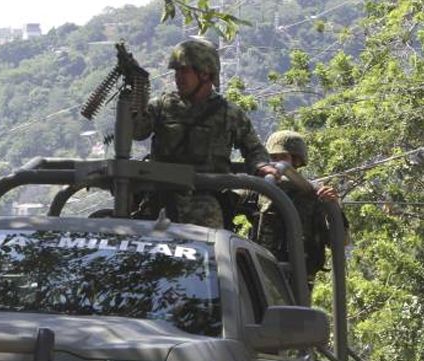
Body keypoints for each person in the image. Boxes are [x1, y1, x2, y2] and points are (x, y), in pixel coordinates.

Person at [131, 36, 278, 228]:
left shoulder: (229, 113)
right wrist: (134, 100)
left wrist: (261, 167)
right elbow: (138, 132)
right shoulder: (162, 106)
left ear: (205, 74)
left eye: (185, 70)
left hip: (205, 203)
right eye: (176, 71)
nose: (178, 77)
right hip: (159, 200)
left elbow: (254, 150)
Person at [255, 130, 346, 286]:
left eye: (282, 158)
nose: (276, 164)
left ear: (296, 161)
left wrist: (334, 207)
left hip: (298, 280)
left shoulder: (313, 194)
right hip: (262, 275)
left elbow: (341, 240)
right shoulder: (258, 190)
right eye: (273, 158)